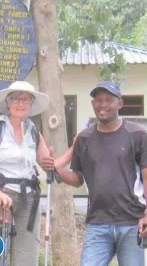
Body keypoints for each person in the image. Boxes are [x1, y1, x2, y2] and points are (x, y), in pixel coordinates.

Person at [52, 81, 147, 266]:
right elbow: (78, 178)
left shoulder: (138, 134)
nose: (102, 105)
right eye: (98, 100)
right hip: (98, 222)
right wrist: (57, 170)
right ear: (92, 104)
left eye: (108, 100)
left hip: (131, 221)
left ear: (120, 103)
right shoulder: (84, 138)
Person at [0, 81, 55, 266]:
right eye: (16, 99)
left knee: (27, 258)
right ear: (8, 103)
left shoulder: (34, 131)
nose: (20, 103)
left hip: (29, 199)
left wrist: (71, 150)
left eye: (25, 99)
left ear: (31, 104)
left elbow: (48, 163)